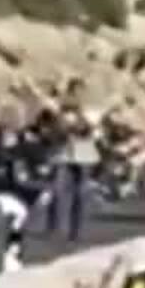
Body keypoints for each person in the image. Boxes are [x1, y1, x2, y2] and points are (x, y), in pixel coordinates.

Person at [48, 80, 99, 241]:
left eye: (80, 93)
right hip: (64, 154)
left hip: (84, 155)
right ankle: (54, 227)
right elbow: (56, 130)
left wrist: (83, 123)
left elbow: (91, 130)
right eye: (74, 92)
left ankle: (75, 231)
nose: (77, 96)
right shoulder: (62, 111)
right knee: (58, 191)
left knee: (80, 194)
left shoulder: (89, 111)